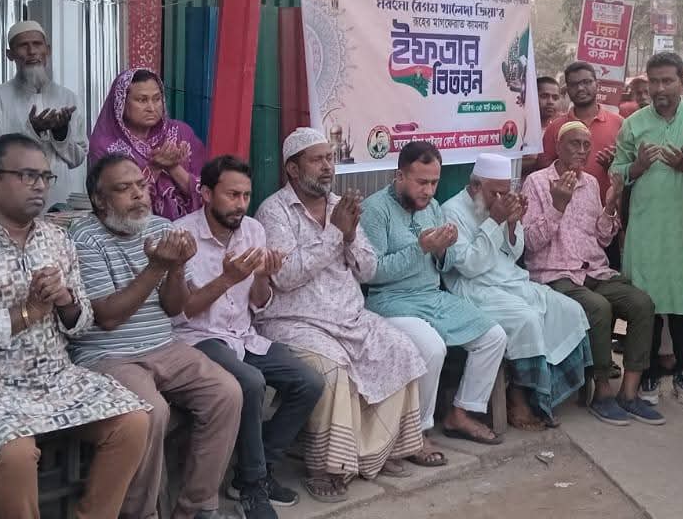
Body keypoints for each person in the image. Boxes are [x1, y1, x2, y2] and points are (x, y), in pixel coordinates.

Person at [0, 134, 149, 518]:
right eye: (28, 176)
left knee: (133, 422)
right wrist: (24, 314)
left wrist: (65, 301)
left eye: (45, 177)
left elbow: (83, 323)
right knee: (14, 452)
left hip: (55, 378)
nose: (40, 186)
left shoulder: (57, 239)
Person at [255, 129, 429, 502]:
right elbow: (285, 276)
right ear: (292, 168)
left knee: (400, 348)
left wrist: (350, 236)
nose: (327, 167)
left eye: (330, 158)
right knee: (332, 370)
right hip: (294, 321)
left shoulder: (340, 207)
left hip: (348, 316)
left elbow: (367, 269)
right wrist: (336, 233)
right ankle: (326, 466)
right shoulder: (274, 211)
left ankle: (373, 453)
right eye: (317, 159)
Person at [67, 153, 243, 519]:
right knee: (152, 411)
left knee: (227, 392)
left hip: (164, 346)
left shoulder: (161, 227)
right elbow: (108, 317)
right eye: (124, 188)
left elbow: (176, 306)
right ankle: (141, 513)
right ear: (100, 200)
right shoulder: (83, 237)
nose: (138, 195)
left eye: (142, 186)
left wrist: (176, 268)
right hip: (108, 355)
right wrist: (157, 266)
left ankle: (195, 509)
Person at [174, 156, 326, 517]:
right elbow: (184, 310)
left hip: (243, 334)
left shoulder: (254, 231)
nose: (240, 204)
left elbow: (259, 302)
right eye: (232, 195)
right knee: (251, 382)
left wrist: (261, 277)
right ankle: (254, 489)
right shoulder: (182, 236)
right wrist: (227, 278)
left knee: (309, 382)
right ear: (206, 193)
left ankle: (252, 471)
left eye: (245, 196)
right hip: (198, 338)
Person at [361, 141, 509, 446]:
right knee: (432, 348)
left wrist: (442, 250)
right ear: (400, 176)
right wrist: (421, 248)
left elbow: (447, 263)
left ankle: (460, 413)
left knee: (494, 336)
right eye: (421, 182)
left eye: (434, 183)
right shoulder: (375, 210)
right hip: (390, 301)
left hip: (432, 297)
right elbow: (372, 272)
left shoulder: (433, 208)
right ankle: (417, 431)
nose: (428, 191)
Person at [523, 121, 661, 427]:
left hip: (594, 269)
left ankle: (629, 392)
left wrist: (610, 206)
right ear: (558, 147)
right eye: (575, 143)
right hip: (554, 272)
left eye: (587, 145)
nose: (582, 150)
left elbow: (602, 237)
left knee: (642, 303)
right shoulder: (536, 182)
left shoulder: (591, 184)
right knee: (599, 308)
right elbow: (529, 243)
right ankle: (602, 391)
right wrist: (558, 206)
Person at [442, 154, 591, 430]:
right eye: (494, 193)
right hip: (475, 289)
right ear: (475, 186)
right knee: (527, 319)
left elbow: (513, 253)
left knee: (570, 309)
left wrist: (511, 224)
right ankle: (518, 398)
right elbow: (469, 266)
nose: (501, 199)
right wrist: (494, 220)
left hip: (510, 280)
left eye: (505, 192)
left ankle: (545, 394)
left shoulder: (498, 206)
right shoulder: (451, 212)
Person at [611, 52, 683, 406]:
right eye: (654, 81)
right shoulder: (633, 124)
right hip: (647, 228)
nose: (660, 88)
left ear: (682, 82)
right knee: (647, 303)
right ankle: (649, 373)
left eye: (668, 80)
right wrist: (636, 167)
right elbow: (616, 172)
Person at [0, 21, 86, 210]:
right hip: (15, 203)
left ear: (48, 50)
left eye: (37, 44)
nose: (32, 51)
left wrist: (60, 134)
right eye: (23, 45)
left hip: (60, 201)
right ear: (10, 54)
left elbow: (77, 159)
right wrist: (32, 131)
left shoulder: (68, 97)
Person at [90, 68, 209, 221]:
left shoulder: (181, 133)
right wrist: (154, 168)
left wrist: (173, 167)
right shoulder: (105, 145)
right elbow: (110, 200)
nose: (151, 108)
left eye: (157, 99)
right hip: (132, 228)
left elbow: (209, 193)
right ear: (121, 103)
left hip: (191, 228)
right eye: (142, 100)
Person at [538, 62, 625, 202]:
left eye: (586, 82)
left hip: (607, 206)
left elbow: (629, 168)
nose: (580, 88)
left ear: (597, 84)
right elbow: (543, 168)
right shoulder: (555, 127)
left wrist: (613, 165)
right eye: (574, 84)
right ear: (567, 89)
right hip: (564, 207)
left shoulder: (619, 124)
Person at [523, 76, 566, 176]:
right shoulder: (519, 129)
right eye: (544, 96)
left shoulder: (560, 131)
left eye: (555, 98)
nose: (550, 102)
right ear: (532, 96)